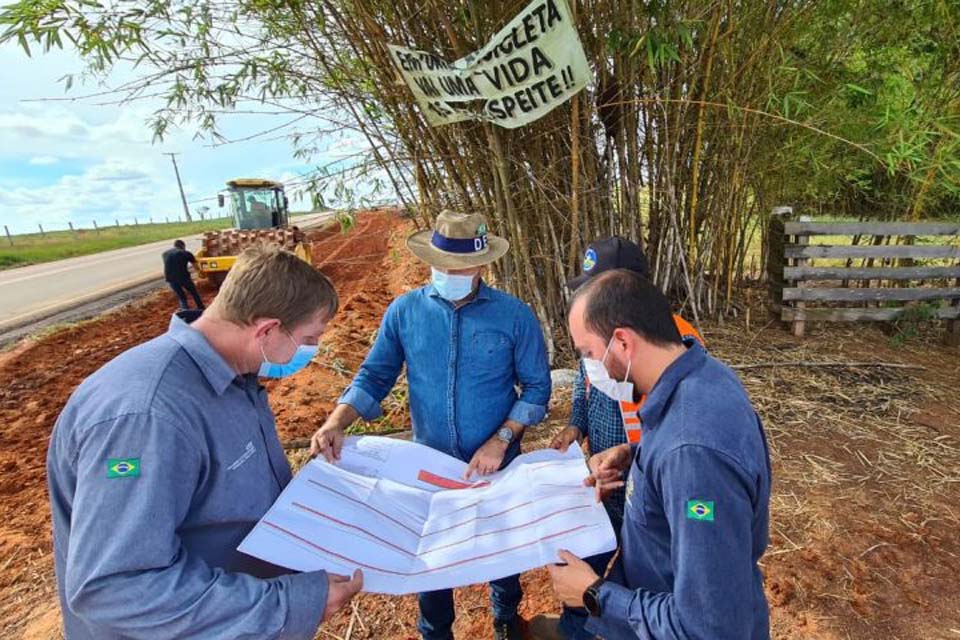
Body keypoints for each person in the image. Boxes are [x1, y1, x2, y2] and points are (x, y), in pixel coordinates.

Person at [48, 244, 362, 639]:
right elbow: (115, 588)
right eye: (309, 339)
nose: (311, 352)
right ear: (266, 330)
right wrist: (288, 603)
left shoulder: (234, 378)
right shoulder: (149, 417)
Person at [311, 210, 552, 640]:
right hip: (430, 463)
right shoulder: (405, 312)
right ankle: (435, 631)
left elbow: (536, 388)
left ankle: (505, 618)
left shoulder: (514, 316)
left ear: (482, 264)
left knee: (501, 547)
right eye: (442, 265)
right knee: (432, 558)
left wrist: (501, 439)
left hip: (498, 462)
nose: (450, 274)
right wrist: (337, 420)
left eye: (460, 267)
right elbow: (374, 375)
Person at [547, 269, 771, 639]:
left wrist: (594, 595)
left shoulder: (692, 454)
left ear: (622, 342)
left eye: (588, 354)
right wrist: (638, 456)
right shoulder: (700, 377)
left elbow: (708, 628)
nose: (589, 368)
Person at [532, 237, 703, 640]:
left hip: (644, 485)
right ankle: (577, 627)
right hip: (606, 471)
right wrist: (576, 427)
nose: (591, 297)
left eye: (599, 286)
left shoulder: (669, 341)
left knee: (641, 568)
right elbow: (582, 388)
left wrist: (637, 463)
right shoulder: (596, 330)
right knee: (585, 559)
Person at [162, 239, 205, 311]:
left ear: (174, 246)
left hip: (170, 279)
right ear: (183, 246)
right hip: (183, 277)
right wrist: (200, 273)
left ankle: (185, 311)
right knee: (194, 292)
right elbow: (196, 266)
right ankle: (201, 308)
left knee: (181, 297)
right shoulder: (186, 253)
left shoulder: (164, 254)